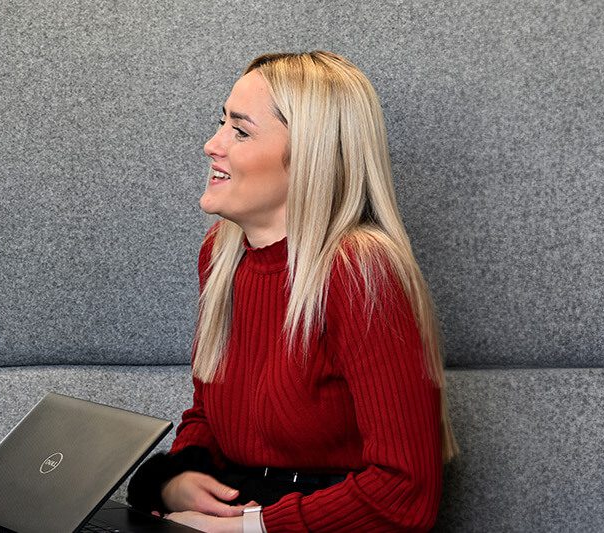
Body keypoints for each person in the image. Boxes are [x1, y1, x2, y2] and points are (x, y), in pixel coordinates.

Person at [126, 51, 454, 532]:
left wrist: (248, 529)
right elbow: (209, 414)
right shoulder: (222, 255)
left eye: (240, 130)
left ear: (309, 154)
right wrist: (180, 479)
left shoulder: (361, 271)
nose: (211, 145)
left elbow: (405, 493)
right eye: (221, 123)